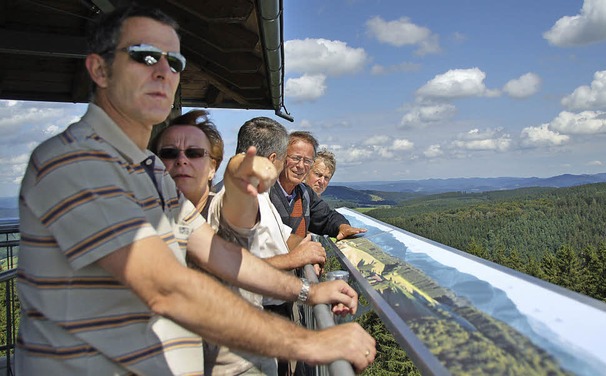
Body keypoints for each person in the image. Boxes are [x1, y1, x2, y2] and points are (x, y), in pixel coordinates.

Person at [15, 5, 376, 375]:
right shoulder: (76, 162)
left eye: (175, 62)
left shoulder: (150, 169)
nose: (163, 72)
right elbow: (167, 288)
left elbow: (216, 251)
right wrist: (310, 342)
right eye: (145, 56)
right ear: (100, 69)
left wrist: (308, 293)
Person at [151, 113, 327, 375]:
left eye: (195, 153)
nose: (182, 160)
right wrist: (300, 271)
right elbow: (239, 267)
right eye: (169, 153)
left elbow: (268, 233)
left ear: (212, 167)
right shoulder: (156, 222)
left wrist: (308, 252)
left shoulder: (247, 201)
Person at [269, 131, 367, 240]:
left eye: (307, 161)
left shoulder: (305, 193)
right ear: (282, 157)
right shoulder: (264, 192)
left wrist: (343, 227)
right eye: (296, 158)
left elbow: (327, 217)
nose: (301, 165)